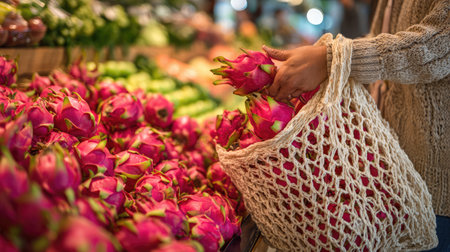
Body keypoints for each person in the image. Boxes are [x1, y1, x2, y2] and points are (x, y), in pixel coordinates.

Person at [262, 0, 449, 250]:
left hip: (435, 187)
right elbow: (384, 38)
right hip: (392, 171)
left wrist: (333, 59)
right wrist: (321, 55)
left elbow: (438, 45)